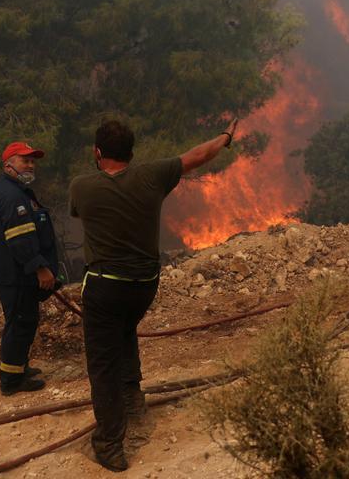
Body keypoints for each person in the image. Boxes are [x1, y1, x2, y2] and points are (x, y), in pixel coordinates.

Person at [69, 118, 238, 472]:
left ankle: (110, 443)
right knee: (126, 328)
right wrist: (224, 138)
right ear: (132, 152)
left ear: (97, 153)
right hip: (144, 286)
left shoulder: (82, 187)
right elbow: (197, 155)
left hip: (104, 286)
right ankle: (132, 398)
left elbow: (81, 213)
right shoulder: (153, 175)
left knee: (102, 366)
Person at [0, 141, 60, 395]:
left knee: (22, 321)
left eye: (32, 160)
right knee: (21, 323)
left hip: (11, 272)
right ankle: (12, 381)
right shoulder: (13, 196)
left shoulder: (12, 190)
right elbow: (21, 240)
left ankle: (18, 367)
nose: (30, 164)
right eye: (25, 160)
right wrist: (40, 268)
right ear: (8, 164)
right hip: (16, 274)